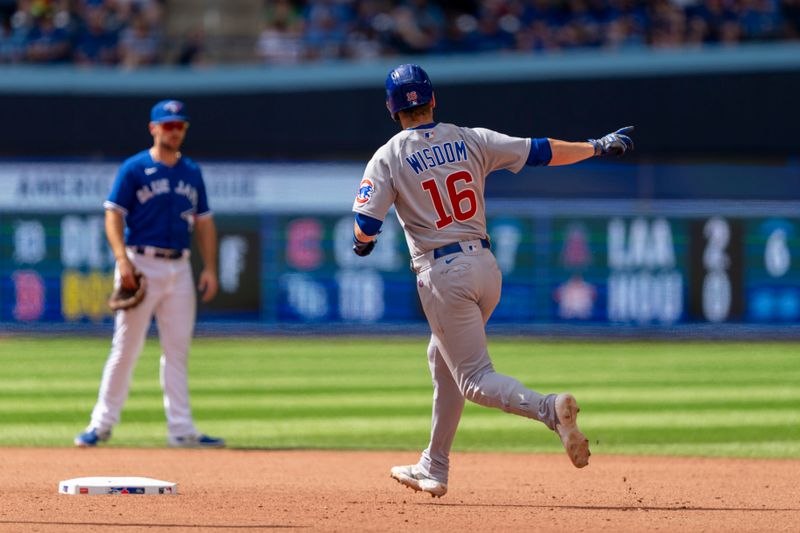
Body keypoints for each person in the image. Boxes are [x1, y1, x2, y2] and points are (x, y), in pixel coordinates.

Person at [351, 64, 634, 497]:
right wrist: (596, 146)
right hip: (485, 267)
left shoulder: (388, 154)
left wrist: (362, 244)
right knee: (440, 358)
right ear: (433, 100)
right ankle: (435, 465)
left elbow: (365, 224)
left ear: (392, 109)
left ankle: (549, 410)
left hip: (443, 274)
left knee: (475, 379)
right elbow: (541, 150)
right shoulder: (470, 138)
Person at [75, 99, 224, 449]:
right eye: (168, 125)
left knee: (177, 350)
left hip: (179, 266)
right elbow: (113, 215)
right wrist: (122, 261)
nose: (175, 131)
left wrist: (211, 269)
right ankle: (101, 425)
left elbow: (204, 222)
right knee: (126, 347)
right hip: (140, 264)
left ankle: (182, 429)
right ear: (153, 128)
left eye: (180, 126)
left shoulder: (192, 171)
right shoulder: (135, 168)